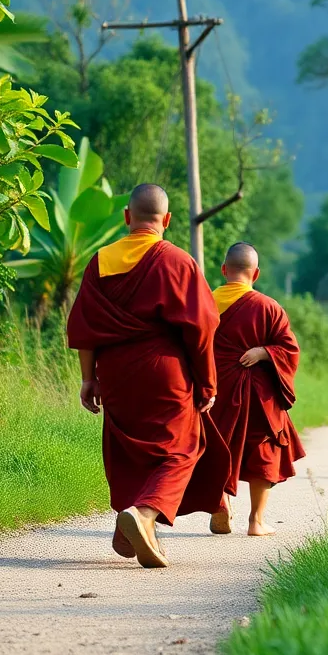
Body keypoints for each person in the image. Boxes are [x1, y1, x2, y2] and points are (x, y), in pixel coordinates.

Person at [66, 184, 229, 568]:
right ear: (167, 220)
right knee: (182, 448)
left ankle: (134, 529)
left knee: (131, 446)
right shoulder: (178, 261)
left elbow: (85, 327)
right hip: (164, 370)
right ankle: (143, 516)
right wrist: (207, 382)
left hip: (115, 374)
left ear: (127, 217)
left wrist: (88, 379)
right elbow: (203, 326)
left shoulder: (101, 261)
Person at [208, 242, 306, 537]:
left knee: (217, 446)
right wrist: (264, 352)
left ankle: (220, 503)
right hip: (260, 395)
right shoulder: (267, 307)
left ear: (224, 270)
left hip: (216, 388)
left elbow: (191, 344)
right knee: (265, 448)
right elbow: (289, 348)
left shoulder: (206, 302)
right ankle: (256, 521)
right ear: (257, 273)